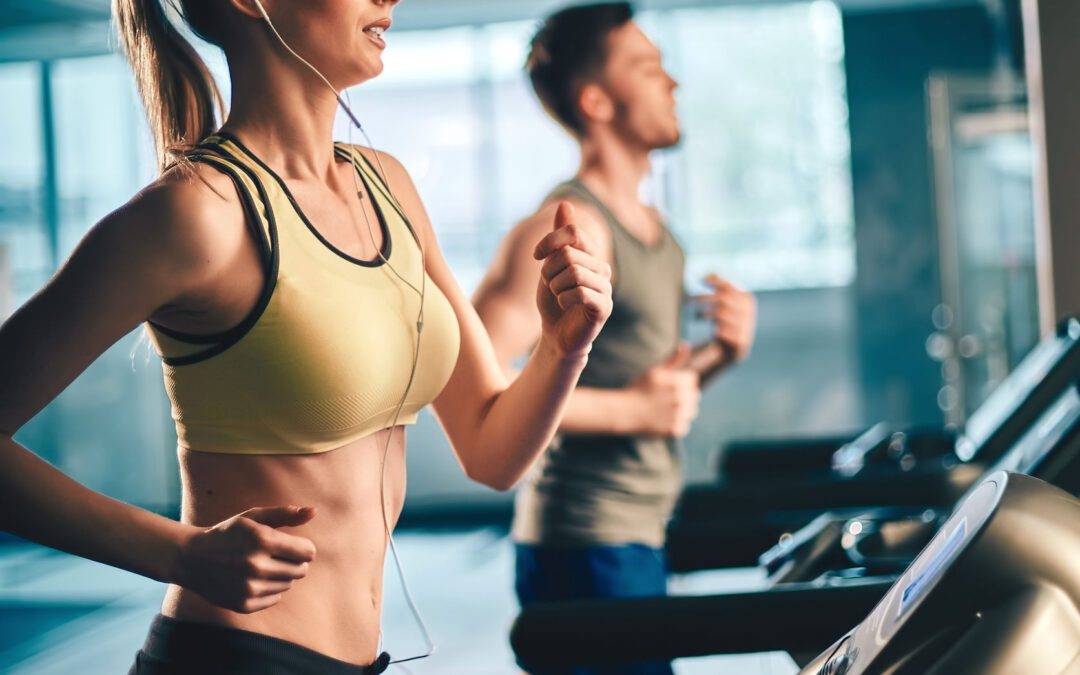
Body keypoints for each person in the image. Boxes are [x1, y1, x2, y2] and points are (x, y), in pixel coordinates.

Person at [0, 0, 615, 673]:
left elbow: (492, 450)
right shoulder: (195, 216)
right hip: (233, 658)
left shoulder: (390, 187)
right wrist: (178, 552)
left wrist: (564, 345)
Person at [472, 4, 757, 673]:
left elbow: (650, 392)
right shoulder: (573, 224)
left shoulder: (659, 234)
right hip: (581, 543)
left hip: (637, 535)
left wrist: (720, 354)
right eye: (648, 68)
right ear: (595, 100)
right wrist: (631, 410)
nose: (673, 83)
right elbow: (473, 374)